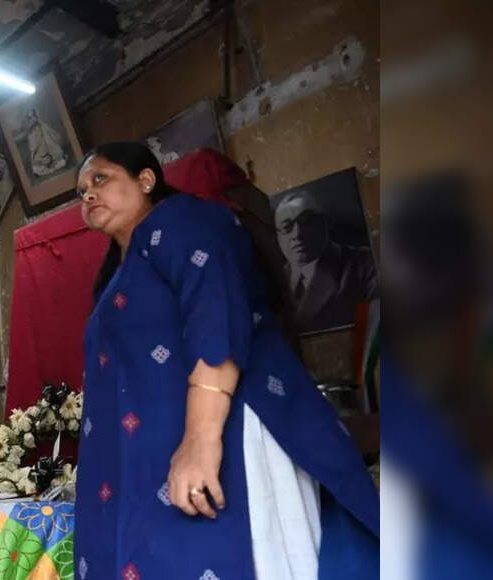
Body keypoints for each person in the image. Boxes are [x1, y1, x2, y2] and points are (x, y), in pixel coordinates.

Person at [73, 142, 378, 579]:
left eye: (100, 178)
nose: (88, 193)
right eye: (81, 190)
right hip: (144, 452)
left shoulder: (183, 220)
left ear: (146, 180)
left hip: (217, 429)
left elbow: (216, 315)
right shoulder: (117, 275)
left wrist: (201, 440)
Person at [274, 191, 378, 334]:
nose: (297, 234)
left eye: (306, 222)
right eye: (286, 227)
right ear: (277, 237)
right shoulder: (275, 281)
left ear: (326, 223)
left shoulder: (365, 264)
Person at [23, 108, 67, 177]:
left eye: (33, 116)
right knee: (37, 169)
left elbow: (53, 137)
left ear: (36, 116)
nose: (32, 119)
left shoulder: (43, 126)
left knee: (60, 161)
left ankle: (54, 163)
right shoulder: (31, 133)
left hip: (50, 153)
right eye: (30, 118)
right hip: (40, 157)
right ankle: (49, 166)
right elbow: (33, 147)